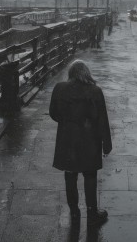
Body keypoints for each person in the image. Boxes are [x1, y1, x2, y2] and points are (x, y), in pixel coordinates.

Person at [49, 60, 112, 226]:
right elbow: (102, 120)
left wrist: (67, 122)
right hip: (90, 142)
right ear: (86, 73)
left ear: (71, 74)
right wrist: (106, 144)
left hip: (67, 141)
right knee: (90, 176)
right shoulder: (95, 91)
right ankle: (92, 213)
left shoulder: (59, 89)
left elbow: (53, 114)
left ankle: (74, 213)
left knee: (70, 176)